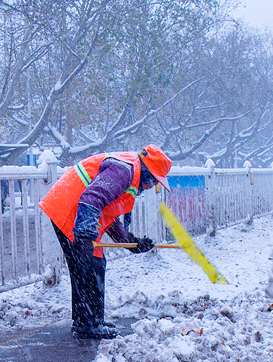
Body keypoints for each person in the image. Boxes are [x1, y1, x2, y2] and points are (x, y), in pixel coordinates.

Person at [39, 145, 173, 339]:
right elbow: (92, 198)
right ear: (147, 171)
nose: (152, 186)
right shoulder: (124, 170)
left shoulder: (131, 172)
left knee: (88, 265)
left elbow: (107, 214)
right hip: (69, 208)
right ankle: (88, 324)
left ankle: (88, 321)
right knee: (90, 265)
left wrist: (130, 242)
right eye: (153, 180)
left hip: (73, 207)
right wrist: (84, 235)